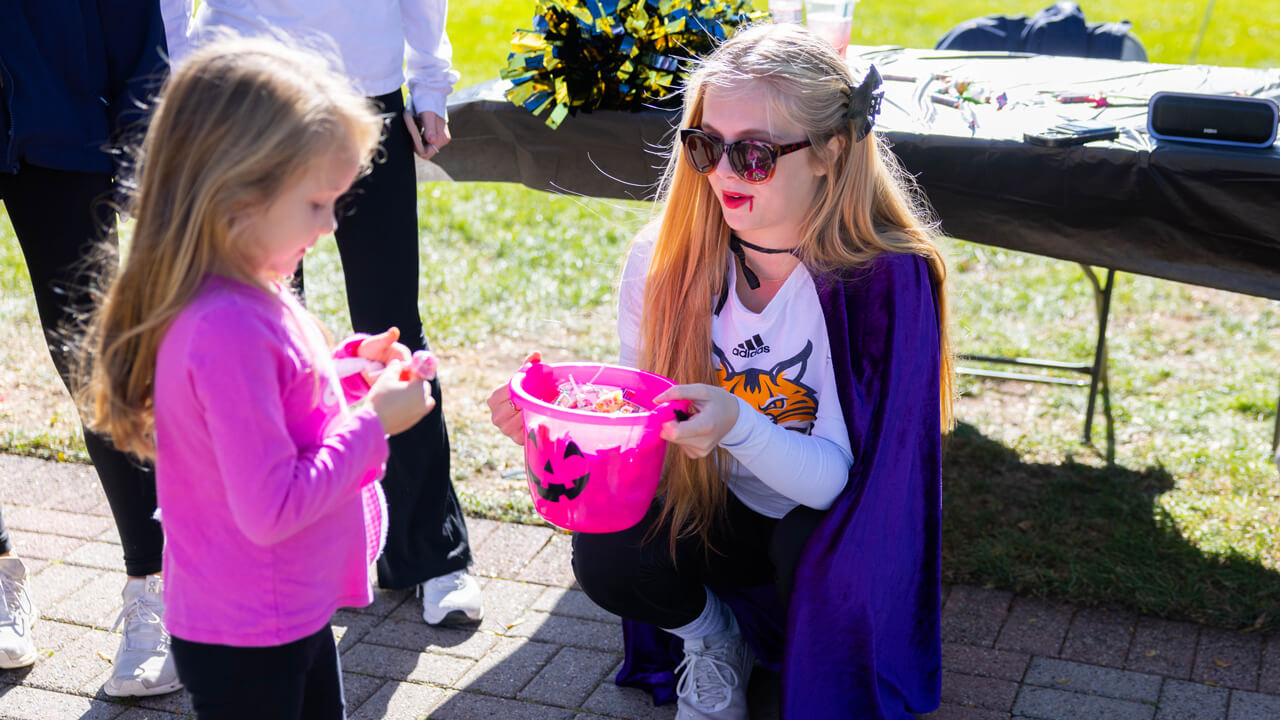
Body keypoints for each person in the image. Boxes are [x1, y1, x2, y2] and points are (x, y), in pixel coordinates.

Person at [488, 24, 954, 720]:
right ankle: (716, 639)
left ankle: (810, 657)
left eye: (756, 154)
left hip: (821, 522)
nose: (724, 173)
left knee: (808, 548)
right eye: (706, 145)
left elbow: (838, 488)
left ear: (831, 151)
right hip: (707, 504)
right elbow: (638, 420)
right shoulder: (664, 257)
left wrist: (739, 424)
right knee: (606, 555)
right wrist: (563, 432)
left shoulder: (881, 283)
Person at [78, 37, 436, 718]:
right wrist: (374, 423)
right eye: (316, 203)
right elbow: (271, 506)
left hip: (271, 611)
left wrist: (347, 375)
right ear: (237, 196)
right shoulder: (228, 327)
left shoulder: (244, 291)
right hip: (251, 633)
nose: (332, 224)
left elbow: (274, 402)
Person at [161, 0, 482, 626]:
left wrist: (431, 83)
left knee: (393, 327)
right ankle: (281, 547)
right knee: (259, 332)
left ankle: (429, 552)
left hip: (367, 94)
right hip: (243, 99)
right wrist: (183, 89)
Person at [0, 0, 182, 696]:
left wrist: (138, 148)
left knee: (100, 367)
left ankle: (153, 586)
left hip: (68, 123)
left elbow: (139, 24)